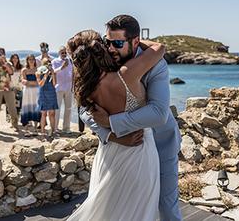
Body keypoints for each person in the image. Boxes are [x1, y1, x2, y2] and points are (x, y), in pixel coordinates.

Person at [79, 15, 182, 221]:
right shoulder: (104, 61)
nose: (111, 48)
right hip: (120, 149)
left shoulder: (156, 65)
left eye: (117, 43)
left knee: (166, 206)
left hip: (161, 143)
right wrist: (109, 135)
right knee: (113, 205)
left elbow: (159, 113)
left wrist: (111, 123)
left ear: (135, 41)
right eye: (108, 42)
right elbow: (85, 107)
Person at [66, 29, 165, 221]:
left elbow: (86, 115)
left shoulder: (85, 89)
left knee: (107, 209)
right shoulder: (127, 74)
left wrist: (111, 134)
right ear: (101, 48)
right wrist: (130, 41)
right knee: (139, 210)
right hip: (139, 151)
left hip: (110, 151)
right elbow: (159, 49)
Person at [51, 46, 73, 134]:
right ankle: (55, 128)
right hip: (59, 88)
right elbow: (53, 72)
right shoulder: (55, 61)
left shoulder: (70, 61)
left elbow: (72, 72)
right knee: (57, 109)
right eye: (62, 52)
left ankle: (66, 128)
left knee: (68, 109)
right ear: (59, 53)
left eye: (65, 52)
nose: (64, 54)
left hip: (69, 87)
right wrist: (62, 67)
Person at [36, 58, 58, 140]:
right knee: (44, 114)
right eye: (46, 63)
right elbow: (40, 84)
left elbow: (55, 83)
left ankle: (53, 131)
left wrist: (52, 73)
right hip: (43, 93)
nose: (48, 65)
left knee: (52, 114)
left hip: (51, 92)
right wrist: (45, 75)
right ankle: (42, 132)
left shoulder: (53, 72)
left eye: (49, 63)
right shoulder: (38, 72)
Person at [20, 54, 41, 136]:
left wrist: (29, 83)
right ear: (27, 60)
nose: (31, 61)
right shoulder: (24, 70)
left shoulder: (38, 70)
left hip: (36, 91)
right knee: (26, 108)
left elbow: (39, 82)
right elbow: (24, 82)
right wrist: (33, 83)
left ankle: (35, 129)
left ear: (35, 60)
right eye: (30, 59)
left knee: (36, 108)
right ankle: (26, 130)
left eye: (33, 59)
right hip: (27, 92)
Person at [7, 54, 23, 122]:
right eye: (13, 58)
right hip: (10, 88)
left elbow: (22, 77)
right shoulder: (9, 67)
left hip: (19, 88)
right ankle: (10, 119)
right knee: (10, 104)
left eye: (16, 58)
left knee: (18, 104)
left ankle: (16, 119)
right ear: (11, 59)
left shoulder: (21, 67)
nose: (15, 59)